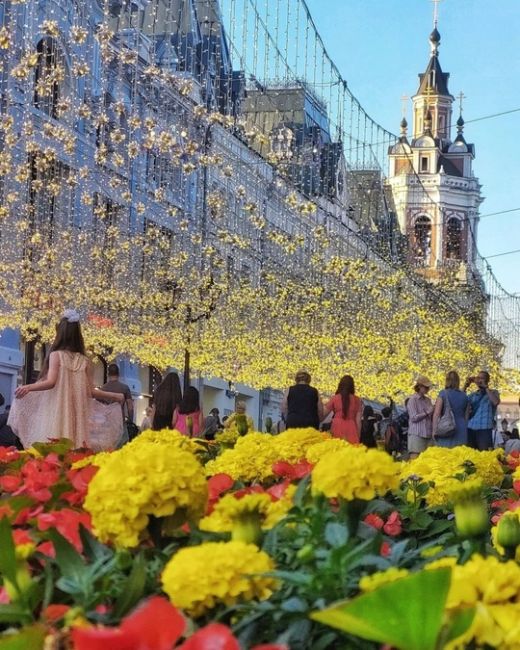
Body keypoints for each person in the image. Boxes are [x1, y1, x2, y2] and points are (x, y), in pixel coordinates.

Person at [8, 310, 124, 450]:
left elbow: (51, 382)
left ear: (60, 333)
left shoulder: (56, 355)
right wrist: (115, 396)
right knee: (75, 448)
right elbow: (90, 391)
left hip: (57, 412)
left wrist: (28, 387)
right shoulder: (85, 361)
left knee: (53, 446)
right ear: (78, 334)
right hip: (77, 415)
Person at [464, 370, 500, 451]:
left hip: (485, 430)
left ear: (487, 380)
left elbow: (495, 402)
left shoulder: (493, 392)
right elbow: (460, 400)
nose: (479, 380)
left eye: (482, 378)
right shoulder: (473, 395)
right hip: (470, 428)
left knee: (485, 456)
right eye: (478, 378)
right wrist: (466, 385)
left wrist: (486, 387)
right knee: (469, 456)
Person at [432, 370, 469, 448]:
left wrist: (434, 430)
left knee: (445, 456)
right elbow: (466, 416)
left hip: (446, 428)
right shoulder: (465, 396)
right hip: (461, 429)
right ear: (458, 381)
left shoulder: (443, 393)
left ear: (447, 380)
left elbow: (436, 413)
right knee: (459, 456)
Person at [102, 363, 134, 444]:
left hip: (107, 423)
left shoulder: (103, 388)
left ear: (108, 374)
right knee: (121, 446)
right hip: (120, 421)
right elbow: (130, 406)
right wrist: (130, 420)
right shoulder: (125, 388)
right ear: (118, 374)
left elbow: (100, 408)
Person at [322, 375, 361, 443]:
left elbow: (323, 414)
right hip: (351, 428)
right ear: (352, 386)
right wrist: (358, 436)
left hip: (336, 426)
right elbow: (358, 421)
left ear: (340, 385)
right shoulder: (357, 400)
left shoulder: (335, 398)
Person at [406, 375, 434, 459]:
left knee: (427, 460)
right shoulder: (412, 400)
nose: (428, 389)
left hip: (428, 434)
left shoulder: (428, 400)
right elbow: (413, 418)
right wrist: (427, 412)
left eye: (428, 387)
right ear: (419, 386)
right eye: (426, 387)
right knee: (415, 460)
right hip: (416, 434)